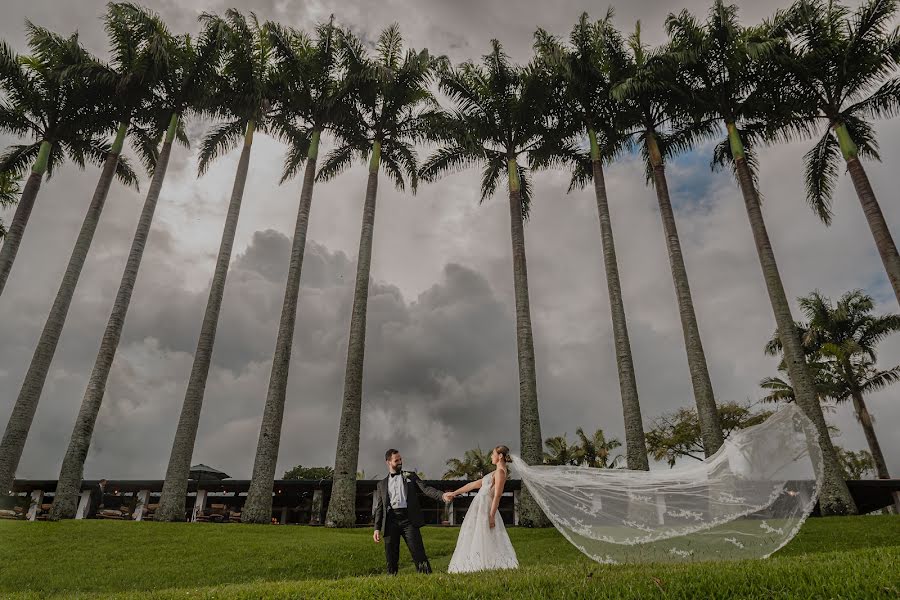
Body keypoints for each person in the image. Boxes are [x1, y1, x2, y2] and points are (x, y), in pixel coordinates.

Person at [443, 445, 519, 573]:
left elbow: (497, 495)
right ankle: (475, 563)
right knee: (476, 533)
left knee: (485, 534)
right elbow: (472, 485)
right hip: (480, 505)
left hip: (487, 507)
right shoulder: (494, 473)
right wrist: (454, 493)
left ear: (500, 456)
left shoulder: (500, 472)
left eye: (493, 454)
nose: (491, 456)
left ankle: (486, 563)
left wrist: (491, 515)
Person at [372, 449, 447, 575]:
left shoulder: (410, 476)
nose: (400, 462)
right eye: (397, 460)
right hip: (390, 521)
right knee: (391, 555)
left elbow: (426, 489)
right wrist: (376, 528)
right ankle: (392, 579)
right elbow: (380, 507)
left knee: (418, 552)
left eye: (401, 459)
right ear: (388, 462)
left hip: (409, 520)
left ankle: (426, 577)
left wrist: (442, 496)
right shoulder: (381, 484)